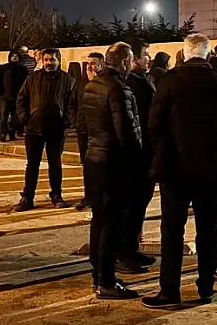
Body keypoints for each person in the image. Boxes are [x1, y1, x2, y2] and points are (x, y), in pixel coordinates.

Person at [143, 33, 217, 310]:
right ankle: (206, 286)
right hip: (212, 168)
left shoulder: (170, 81)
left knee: (172, 231)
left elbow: (154, 123)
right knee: (207, 229)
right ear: (209, 55)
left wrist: (165, 148)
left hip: (176, 168)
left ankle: (169, 291)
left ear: (184, 54)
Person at [80, 42, 142, 300]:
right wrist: (137, 160)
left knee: (99, 220)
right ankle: (105, 281)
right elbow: (126, 132)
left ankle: (99, 275)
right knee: (111, 224)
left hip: (94, 159)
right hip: (113, 164)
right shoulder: (118, 89)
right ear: (125, 62)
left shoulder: (92, 85)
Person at [13, 47, 78, 212]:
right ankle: (27, 197)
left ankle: (56, 195)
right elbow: (21, 99)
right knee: (32, 165)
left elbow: (72, 105)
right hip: (34, 129)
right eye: (46, 60)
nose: (49, 63)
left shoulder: (68, 80)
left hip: (56, 130)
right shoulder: (32, 78)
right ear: (42, 61)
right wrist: (25, 120)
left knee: (55, 164)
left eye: (52, 60)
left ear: (58, 60)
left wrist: (66, 122)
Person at [121, 39, 157, 269]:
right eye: (145, 55)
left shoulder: (143, 81)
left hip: (146, 153)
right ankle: (123, 253)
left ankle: (132, 249)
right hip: (135, 156)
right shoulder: (129, 85)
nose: (148, 59)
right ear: (133, 59)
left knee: (139, 205)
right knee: (130, 205)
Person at [74, 52, 104, 212]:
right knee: (87, 165)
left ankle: (100, 196)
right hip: (84, 130)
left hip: (99, 132)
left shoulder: (106, 84)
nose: (90, 67)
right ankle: (88, 196)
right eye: (88, 64)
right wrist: (76, 121)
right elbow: (72, 103)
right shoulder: (80, 83)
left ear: (101, 64)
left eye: (93, 63)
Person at [0, 50, 28, 142]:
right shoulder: (4, 68)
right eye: (13, 56)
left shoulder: (22, 69)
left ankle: (12, 131)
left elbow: (26, 83)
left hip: (18, 97)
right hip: (5, 96)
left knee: (16, 117)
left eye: (16, 56)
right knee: (3, 116)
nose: (14, 57)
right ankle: (3, 133)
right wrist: (0, 93)